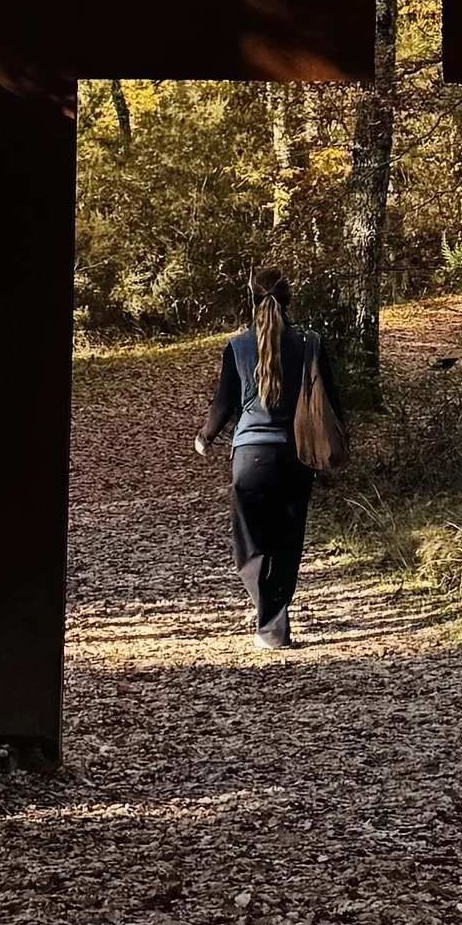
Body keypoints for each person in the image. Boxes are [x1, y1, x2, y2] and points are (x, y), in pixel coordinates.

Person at [196, 266, 322, 653]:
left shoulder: (237, 347)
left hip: (249, 458)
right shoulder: (309, 343)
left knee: (249, 546)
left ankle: (270, 621)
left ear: (252, 301)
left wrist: (205, 436)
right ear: (289, 300)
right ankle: (273, 623)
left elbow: (223, 404)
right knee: (287, 544)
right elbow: (328, 400)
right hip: (296, 457)